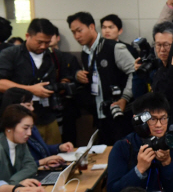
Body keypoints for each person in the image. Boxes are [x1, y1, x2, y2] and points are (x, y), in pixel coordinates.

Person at [67, 11, 135, 146]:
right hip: (100, 114)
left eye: (79, 31)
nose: (77, 36)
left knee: (124, 151)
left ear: (91, 27)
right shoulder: (85, 52)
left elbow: (135, 72)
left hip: (120, 113)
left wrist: (124, 98)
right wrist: (79, 76)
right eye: (73, 32)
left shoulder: (114, 47)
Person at [106, 92, 173, 192]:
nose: (159, 125)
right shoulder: (123, 147)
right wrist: (139, 170)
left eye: (163, 118)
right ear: (137, 120)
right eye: (152, 119)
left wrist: (167, 163)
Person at [0, 18, 61, 144]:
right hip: (19, 121)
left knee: (55, 155)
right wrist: (31, 90)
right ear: (27, 36)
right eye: (39, 42)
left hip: (48, 115)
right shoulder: (10, 54)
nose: (43, 46)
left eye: (47, 42)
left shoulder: (52, 55)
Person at [0, 88, 74, 168]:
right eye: (28, 105)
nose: (32, 109)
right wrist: (43, 161)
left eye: (32, 105)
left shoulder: (30, 127)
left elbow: (41, 149)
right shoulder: (10, 138)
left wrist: (59, 148)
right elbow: (18, 168)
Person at [48, 25, 82, 144]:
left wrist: (68, 80)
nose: (48, 39)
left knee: (69, 138)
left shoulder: (68, 58)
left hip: (67, 106)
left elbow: (76, 80)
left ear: (58, 38)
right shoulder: (42, 59)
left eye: (51, 35)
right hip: (48, 107)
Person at [0, 104, 39, 184]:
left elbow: (31, 165)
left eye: (31, 128)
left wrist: (14, 182)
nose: (29, 133)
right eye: (25, 128)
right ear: (9, 127)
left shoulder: (20, 142)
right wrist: (14, 185)